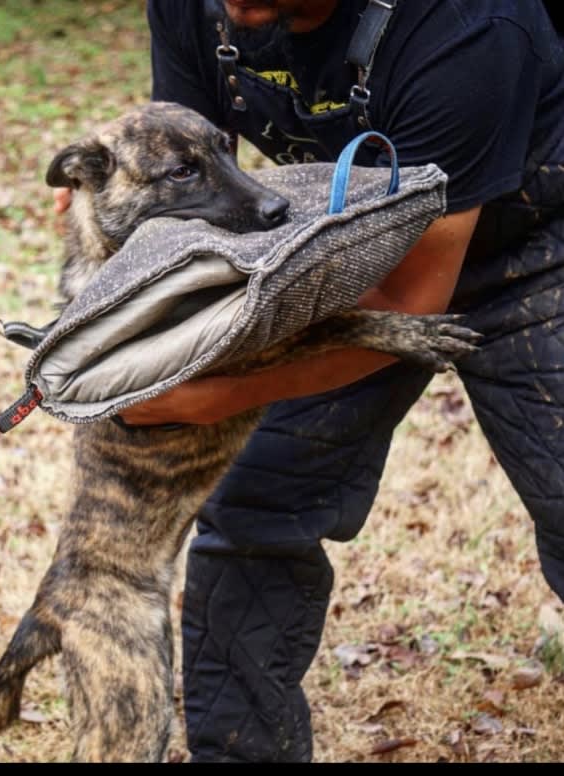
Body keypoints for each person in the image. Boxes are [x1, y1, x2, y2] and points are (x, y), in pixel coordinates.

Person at [57, 0, 564, 761]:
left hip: (530, 249)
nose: (234, 5)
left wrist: (205, 395)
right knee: (253, 510)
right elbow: (188, 183)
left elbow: (406, 305)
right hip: (329, 257)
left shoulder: (473, 25)